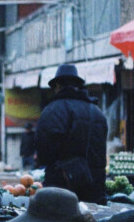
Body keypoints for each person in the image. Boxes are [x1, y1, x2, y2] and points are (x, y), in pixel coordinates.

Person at [36, 64, 108, 204]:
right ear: (77, 85)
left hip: (61, 188)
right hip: (95, 189)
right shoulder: (97, 112)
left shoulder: (52, 110)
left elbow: (43, 154)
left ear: (57, 86)